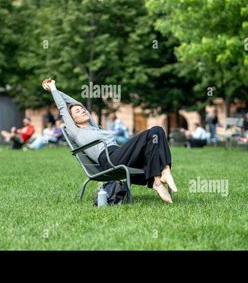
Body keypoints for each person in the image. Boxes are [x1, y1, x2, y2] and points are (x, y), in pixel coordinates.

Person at [42, 78, 177, 204]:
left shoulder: (94, 126)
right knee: (155, 130)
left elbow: (76, 103)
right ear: (73, 120)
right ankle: (160, 176)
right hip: (110, 160)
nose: (82, 110)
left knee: (156, 133)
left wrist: (56, 90)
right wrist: (53, 87)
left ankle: (161, 175)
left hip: (118, 154)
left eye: (83, 109)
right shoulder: (77, 132)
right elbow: (62, 108)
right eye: (77, 111)